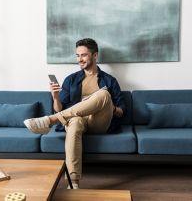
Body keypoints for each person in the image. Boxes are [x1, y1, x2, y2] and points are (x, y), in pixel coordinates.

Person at [24, 38, 126, 189]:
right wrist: (56, 96)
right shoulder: (71, 80)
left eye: (84, 55)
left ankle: (50, 121)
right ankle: (74, 183)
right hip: (76, 120)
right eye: (77, 55)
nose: (80, 59)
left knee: (104, 94)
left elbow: (122, 112)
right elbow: (60, 109)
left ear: (95, 55)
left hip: (98, 122)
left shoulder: (109, 80)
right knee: (75, 122)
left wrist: (108, 105)